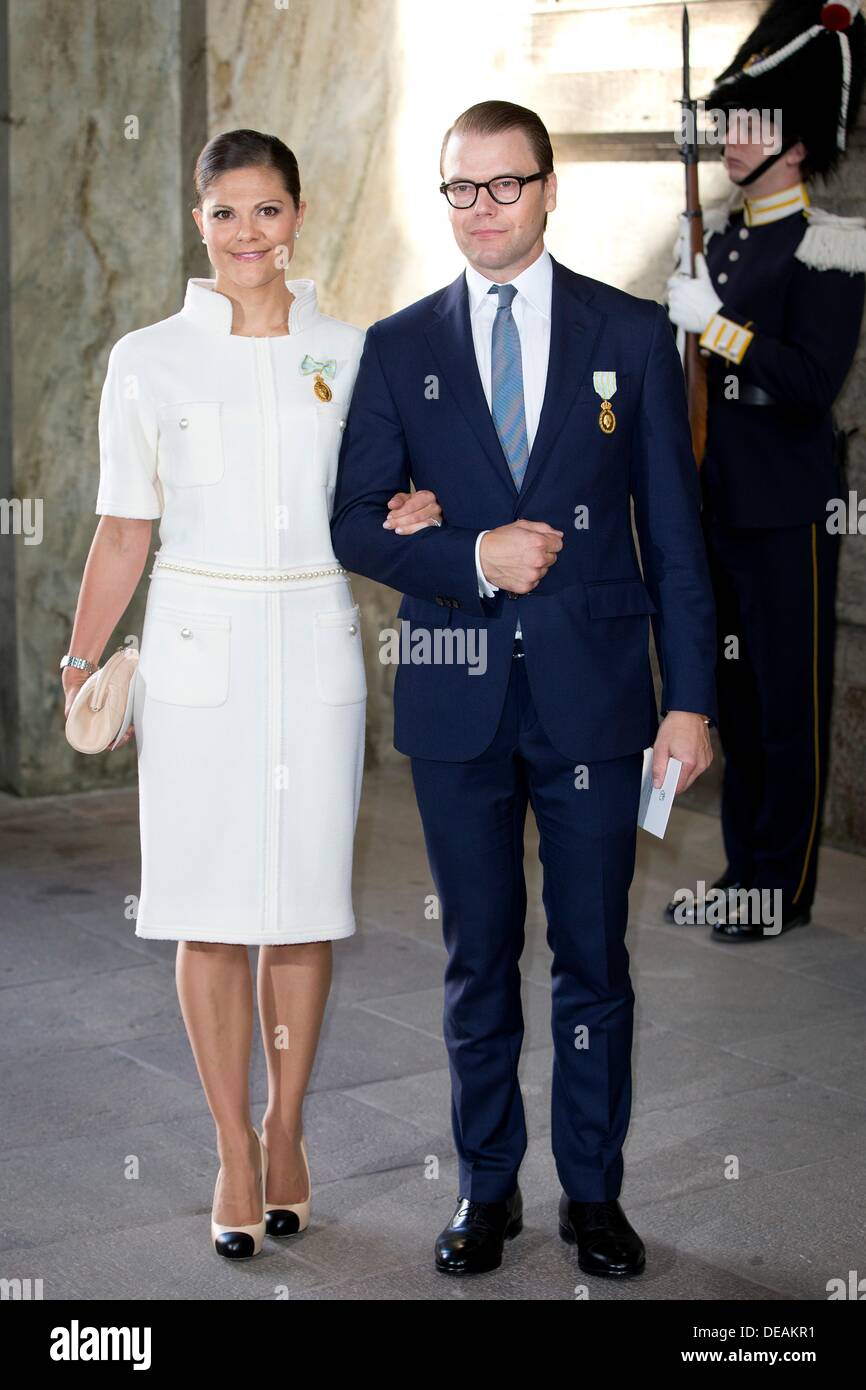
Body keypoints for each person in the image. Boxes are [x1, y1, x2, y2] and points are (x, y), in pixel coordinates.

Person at [331, 100, 717, 1278]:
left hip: (599, 699)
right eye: (461, 189)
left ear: (549, 191)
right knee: (475, 954)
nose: (482, 208)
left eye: (504, 185)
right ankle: (485, 1189)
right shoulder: (400, 346)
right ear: (440, 196)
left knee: (594, 957)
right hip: (455, 698)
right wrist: (465, 554)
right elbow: (352, 518)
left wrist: (688, 698)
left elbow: (675, 534)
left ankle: (591, 1197)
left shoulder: (631, 333)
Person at [61, 129, 441, 1260]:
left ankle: (289, 1125)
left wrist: (410, 515)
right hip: (194, 642)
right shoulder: (147, 358)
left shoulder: (351, 349)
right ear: (198, 221)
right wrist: (84, 663)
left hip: (312, 637)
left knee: (302, 902)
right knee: (206, 902)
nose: (245, 236)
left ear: (298, 215)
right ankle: (233, 1140)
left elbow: (375, 499)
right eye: (224, 213)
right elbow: (124, 524)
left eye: (266, 211)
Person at [666, 0, 866, 940]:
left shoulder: (832, 243)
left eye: (748, 127)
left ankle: (781, 887)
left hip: (788, 510)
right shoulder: (722, 241)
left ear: (794, 144)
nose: (728, 141)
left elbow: (808, 382)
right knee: (735, 704)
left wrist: (718, 327)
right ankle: (744, 870)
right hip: (718, 505)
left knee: (788, 704)